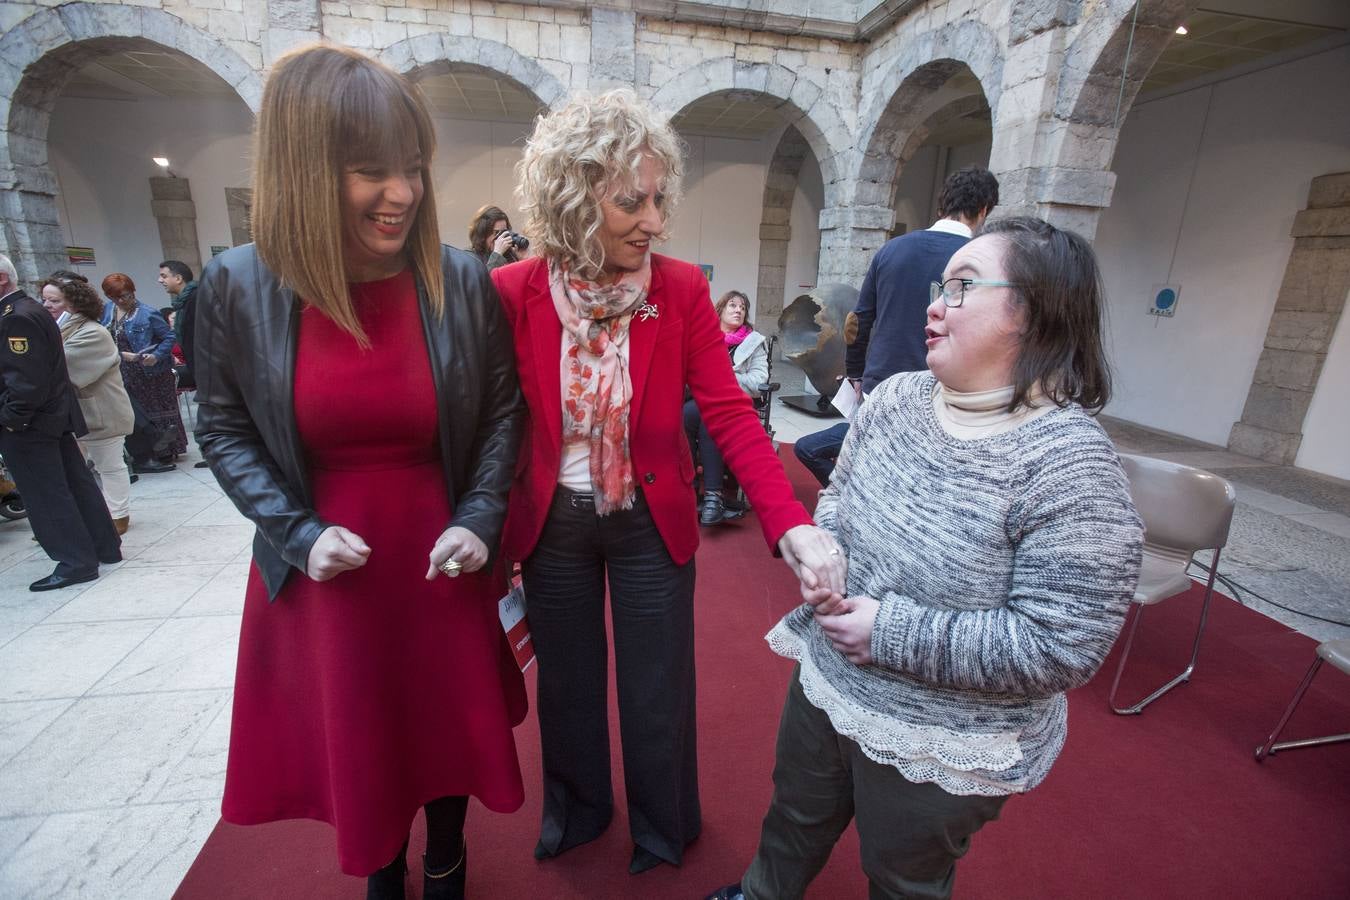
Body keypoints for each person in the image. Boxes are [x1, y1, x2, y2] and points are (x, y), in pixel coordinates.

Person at [708, 217, 1144, 900]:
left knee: (903, 877)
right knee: (794, 814)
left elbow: (1061, 646)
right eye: (942, 288)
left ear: (1033, 313)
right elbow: (840, 501)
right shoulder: (897, 400)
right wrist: (827, 555)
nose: (934, 306)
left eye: (963, 289)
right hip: (829, 679)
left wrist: (888, 632)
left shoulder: (1071, 464)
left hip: (940, 733)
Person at [193, 44, 526, 900]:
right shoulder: (237, 285)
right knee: (362, 738)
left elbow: (500, 416)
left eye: (413, 169)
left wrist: (480, 518)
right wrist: (297, 534)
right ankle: (382, 870)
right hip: (327, 568)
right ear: (304, 170)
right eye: (372, 172)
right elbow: (225, 431)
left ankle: (447, 862)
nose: (404, 194)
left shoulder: (458, 277)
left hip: (438, 553)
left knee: (443, 730)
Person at [491, 88, 845, 876]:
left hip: (652, 514)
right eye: (630, 201)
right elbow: (495, 423)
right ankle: (578, 813)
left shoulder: (678, 288)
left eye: (659, 198)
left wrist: (791, 522)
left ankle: (664, 824)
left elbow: (726, 411)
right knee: (570, 688)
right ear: (571, 198)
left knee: (658, 689)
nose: (654, 220)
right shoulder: (511, 292)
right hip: (551, 520)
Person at [793, 165, 1000, 486]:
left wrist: (857, 374)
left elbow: (857, 322)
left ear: (941, 207)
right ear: (983, 209)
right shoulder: (979, 260)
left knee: (873, 469)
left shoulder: (891, 250)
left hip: (883, 384)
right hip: (945, 393)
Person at [0, 254, 122, 590]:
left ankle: (74, 562)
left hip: (30, 423)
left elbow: (27, 380)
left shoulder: (16, 317)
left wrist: (11, 420)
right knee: (75, 484)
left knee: (46, 494)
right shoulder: (28, 310)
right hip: (49, 417)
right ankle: (103, 546)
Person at [39, 274, 134, 535]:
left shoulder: (93, 332)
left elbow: (61, 368)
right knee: (79, 470)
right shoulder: (61, 329)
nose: (47, 305)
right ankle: (84, 517)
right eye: (44, 299)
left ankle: (118, 517)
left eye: (54, 300)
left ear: (75, 303)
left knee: (110, 465)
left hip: (102, 412)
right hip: (75, 415)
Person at [683, 289, 769, 525]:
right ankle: (692, 492)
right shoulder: (704, 338)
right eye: (732, 305)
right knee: (682, 417)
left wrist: (723, 379)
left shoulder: (754, 343)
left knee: (709, 417)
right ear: (720, 310)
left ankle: (713, 496)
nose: (738, 310)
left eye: (742, 307)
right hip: (701, 401)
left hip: (735, 405)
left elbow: (759, 382)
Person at [100, 273, 186, 472]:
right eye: (117, 297)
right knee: (133, 414)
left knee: (154, 412)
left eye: (127, 295)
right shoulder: (108, 311)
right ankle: (145, 454)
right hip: (121, 369)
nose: (123, 300)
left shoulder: (147, 312)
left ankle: (161, 452)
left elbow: (169, 336)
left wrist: (155, 355)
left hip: (148, 370)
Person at [158, 260, 198, 390]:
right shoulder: (183, 303)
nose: (159, 280)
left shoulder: (196, 298)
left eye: (164, 276)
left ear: (178, 278)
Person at [468, 204, 522, 271]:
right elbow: (483, 281)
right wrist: (497, 255)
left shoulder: (509, 254)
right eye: (497, 232)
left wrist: (521, 261)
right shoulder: (469, 257)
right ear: (482, 233)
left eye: (504, 232)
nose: (501, 237)